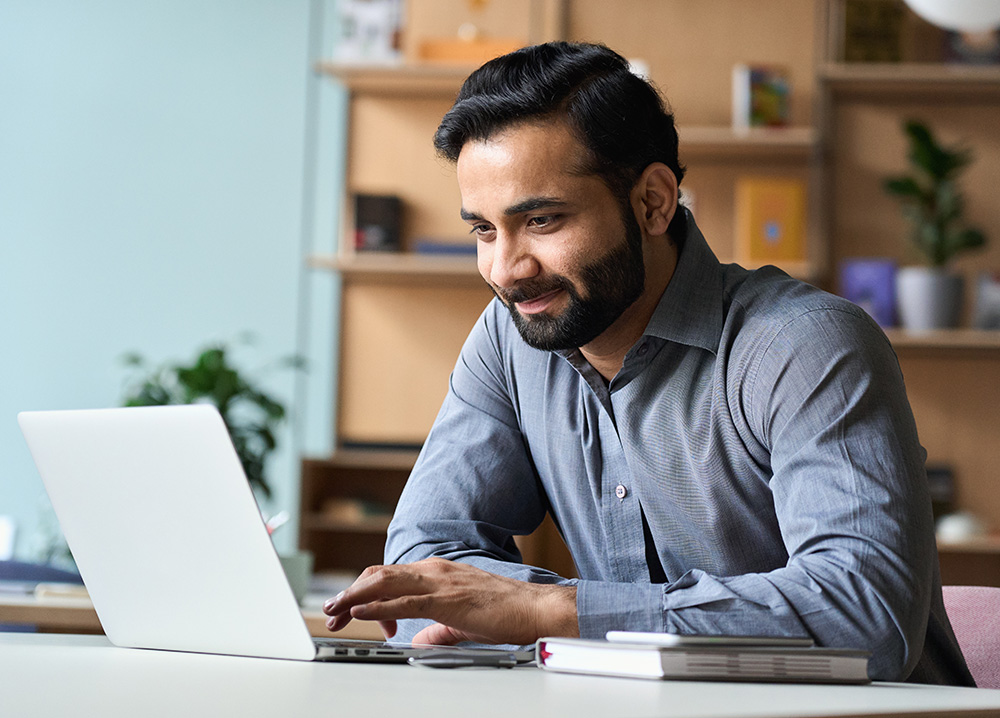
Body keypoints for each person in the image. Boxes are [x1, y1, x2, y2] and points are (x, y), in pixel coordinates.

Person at [323, 41, 974, 685]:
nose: (505, 270)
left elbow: (865, 617)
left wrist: (552, 611)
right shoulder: (509, 337)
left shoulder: (805, 346)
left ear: (654, 202)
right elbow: (423, 558)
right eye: (484, 231)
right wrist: (520, 613)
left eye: (543, 220)